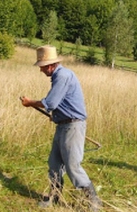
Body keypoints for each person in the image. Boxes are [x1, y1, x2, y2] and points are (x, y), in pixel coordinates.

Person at [20, 45, 102, 211]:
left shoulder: (62, 76)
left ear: (50, 65)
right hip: (63, 125)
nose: (41, 70)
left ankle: (93, 201)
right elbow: (59, 103)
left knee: (72, 166)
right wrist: (56, 115)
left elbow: (49, 102)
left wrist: (30, 103)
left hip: (72, 126)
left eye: (42, 67)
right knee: (55, 163)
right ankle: (54, 196)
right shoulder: (60, 76)